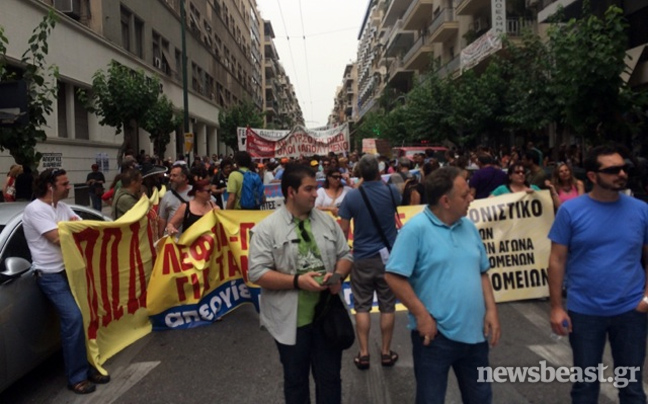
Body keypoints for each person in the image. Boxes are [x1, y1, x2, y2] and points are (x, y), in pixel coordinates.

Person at [385, 166, 500, 403]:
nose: (471, 198)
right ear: (446, 201)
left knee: (480, 398)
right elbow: (394, 277)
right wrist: (422, 316)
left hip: (476, 337)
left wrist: (491, 310)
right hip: (435, 338)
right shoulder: (415, 230)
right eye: (465, 194)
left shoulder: (468, 226)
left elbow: (482, 272)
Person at [548, 145, 648, 403]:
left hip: (630, 312)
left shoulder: (641, 210)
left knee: (632, 388)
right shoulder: (571, 211)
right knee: (585, 386)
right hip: (584, 313)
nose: (621, 174)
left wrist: (647, 297)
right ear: (592, 176)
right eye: (613, 170)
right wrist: (557, 307)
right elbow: (557, 260)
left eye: (623, 168)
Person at [248, 164, 353, 404]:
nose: (316, 193)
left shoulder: (327, 222)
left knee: (330, 380)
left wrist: (337, 277)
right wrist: (297, 281)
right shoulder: (267, 230)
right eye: (309, 189)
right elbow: (257, 272)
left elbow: (346, 256)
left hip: (326, 316)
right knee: (295, 382)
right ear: (291, 192)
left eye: (315, 188)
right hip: (291, 323)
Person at [22, 168, 111, 394]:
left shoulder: (62, 207)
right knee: (73, 318)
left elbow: (82, 230)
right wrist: (70, 229)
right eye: (64, 184)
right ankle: (77, 377)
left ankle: (90, 365)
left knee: (86, 316)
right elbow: (57, 238)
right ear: (50, 187)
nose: (69, 187)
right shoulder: (35, 209)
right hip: (51, 275)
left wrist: (71, 229)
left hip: (71, 271)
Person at [339, 154, 401, 370]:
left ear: (359, 174)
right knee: (387, 305)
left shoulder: (352, 198)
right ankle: (385, 352)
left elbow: (344, 230)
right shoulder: (391, 191)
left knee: (362, 306)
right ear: (378, 171)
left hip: (362, 258)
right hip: (389, 259)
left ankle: (364, 353)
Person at [158, 164, 192, 238]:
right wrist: (161, 238)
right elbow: (162, 219)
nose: (171, 178)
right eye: (170, 175)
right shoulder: (166, 196)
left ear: (183, 177)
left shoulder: (195, 193)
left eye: (174, 175)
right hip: (173, 241)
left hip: (192, 241)